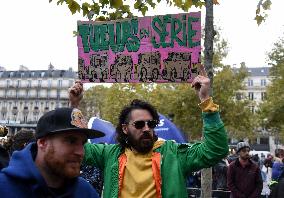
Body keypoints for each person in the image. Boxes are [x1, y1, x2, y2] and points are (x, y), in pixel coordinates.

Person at [69, 72, 229, 198]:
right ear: (125, 129)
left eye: (151, 124)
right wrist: (75, 106)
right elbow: (78, 147)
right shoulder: (110, 155)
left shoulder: (174, 154)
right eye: (139, 124)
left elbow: (216, 150)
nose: (146, 128)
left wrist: (206, 100)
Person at [0, 107, 104, 197]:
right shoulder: (4, 188)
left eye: (83, 143)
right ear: (42, 143)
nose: (80, 152)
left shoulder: (86, 192)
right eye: (71, 141)